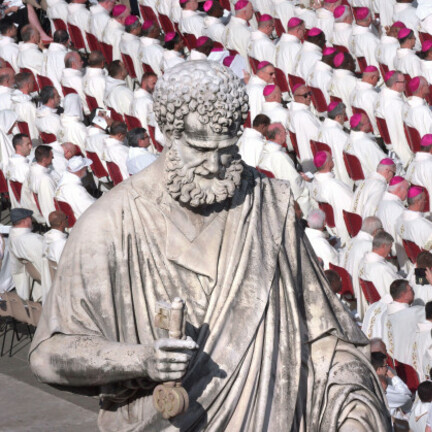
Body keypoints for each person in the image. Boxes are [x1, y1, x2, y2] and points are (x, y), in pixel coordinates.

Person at [29, 61, 390, 431]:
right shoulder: (111, 223)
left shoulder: (266, 205)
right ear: (169, 133)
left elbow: (324, 338)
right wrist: (140, 360)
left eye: (226, 149)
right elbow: (48, 355)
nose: (215, 166)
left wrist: (352, 405)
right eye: (200, 149)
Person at [8, 208, 48, 301]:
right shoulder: (31, 240)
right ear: (26, 221)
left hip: (30, 278)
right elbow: (45, 263)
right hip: (45, 280)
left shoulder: (13, 237)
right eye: (30, 218)